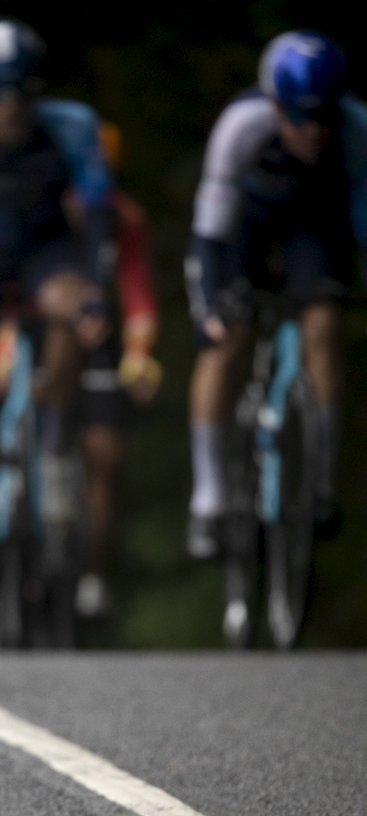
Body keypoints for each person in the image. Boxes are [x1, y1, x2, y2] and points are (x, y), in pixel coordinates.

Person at [0, 17, 160, 623]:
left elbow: (100, 219)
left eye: (21, 94)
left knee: (74, 307)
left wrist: (96, 297)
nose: (9, 109)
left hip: (44, 254)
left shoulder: (72, 126)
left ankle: (54, 443)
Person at [184, 30, 367, 558]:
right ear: (276, 105)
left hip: (316, 223)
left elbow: (360, 219)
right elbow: (210, 233)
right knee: (227, 337)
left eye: (323, 118)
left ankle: (322, 484)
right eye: (299, 118)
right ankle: (210, 497)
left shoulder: (355, 129)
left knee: (323, 327)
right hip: (246, 224)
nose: (313, 133)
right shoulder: (243, 126)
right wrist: (208, 308)